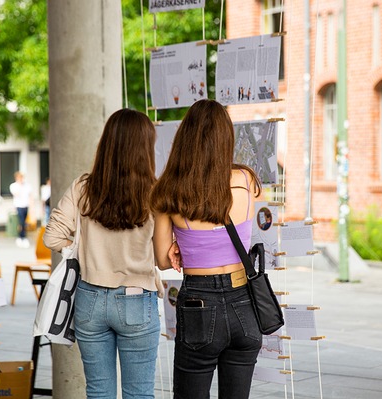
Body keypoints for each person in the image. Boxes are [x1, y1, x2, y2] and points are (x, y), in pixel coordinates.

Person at [44, 108, 167, 398]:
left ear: (107, 144)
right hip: (138, 299)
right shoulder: (157, 193)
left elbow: (52, 237)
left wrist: (80, 249)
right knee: (139, 393)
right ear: (146, 147)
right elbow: (164, 252)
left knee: (99, 392)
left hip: (90, 300)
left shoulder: (84, 187)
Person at [151, 99, 263, 399]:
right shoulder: (246, 180)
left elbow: (162, 260)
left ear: (185, 137)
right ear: (226, 138)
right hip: (244, 303)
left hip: (199, 304)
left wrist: (178, 243)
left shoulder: (168, 190)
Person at [9, 171, 32, 248]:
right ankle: (21, 237)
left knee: (24, 222)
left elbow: (30, 196)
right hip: (19, 206)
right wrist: (20, 185)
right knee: (21, 222)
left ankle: (22, 236)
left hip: (26, 205)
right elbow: (16, 193)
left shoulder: (27, 185)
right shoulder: (14, 186)